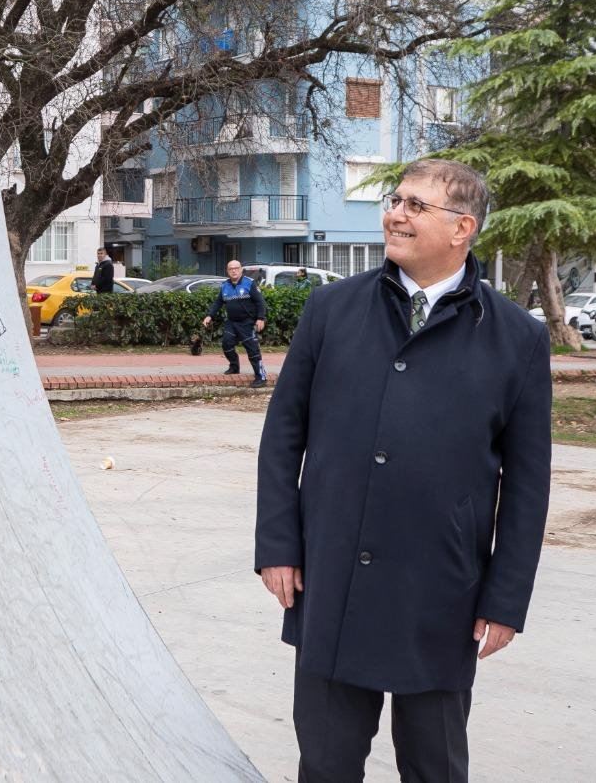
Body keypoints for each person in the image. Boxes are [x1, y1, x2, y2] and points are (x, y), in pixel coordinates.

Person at [255, 159, 552, 783]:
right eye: (395, 200)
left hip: (441, 595)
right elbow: (283, 437)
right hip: (333, 582)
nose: (395, 213)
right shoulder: (331, 309)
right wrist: (278, 545)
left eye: (416, 205)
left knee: (435, 768)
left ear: (462, 227)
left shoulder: (518, 337)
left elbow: (527, 484)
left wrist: (506, 598)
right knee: (327, 766)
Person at [201, 260, 267, 386]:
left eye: (236, 268)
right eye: (231, 269)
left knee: (252, 351)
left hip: (248, 323)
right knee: (227, 344)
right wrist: (209, 316)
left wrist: (261, 318)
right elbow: (218, 302)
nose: (234, 270)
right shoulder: (225, 285)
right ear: (227, 271)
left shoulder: (249, 284)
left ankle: (261, 377)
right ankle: (234, 366)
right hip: (232, 322)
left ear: (241, 270)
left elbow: (260, 302)